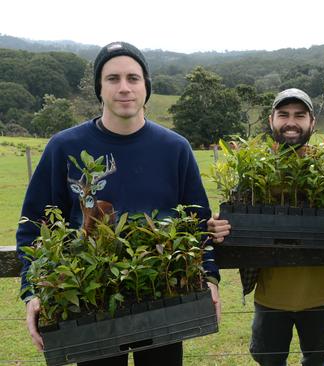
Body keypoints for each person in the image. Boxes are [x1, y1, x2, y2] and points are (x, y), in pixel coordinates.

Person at [16, 41, 220, 366]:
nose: (124, 88)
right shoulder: (64, 147)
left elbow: (198, 224)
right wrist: (33, 291)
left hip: (163, 299)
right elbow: (33, 230)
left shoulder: (175, 149)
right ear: (99, 87)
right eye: (113, 79)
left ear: (146, 86)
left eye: (133, 78)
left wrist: (208, 278)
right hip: (89, 302)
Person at [208, 88, 324, 366]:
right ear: (271, 121)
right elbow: (232, 213)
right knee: (268, 359)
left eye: (299, 115)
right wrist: (216, 228)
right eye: (283, 115)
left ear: (312, 123)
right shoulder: (254, 172)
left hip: (321, 295)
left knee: (317, 359)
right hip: (270, 296)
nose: (291, 122)